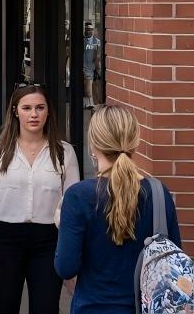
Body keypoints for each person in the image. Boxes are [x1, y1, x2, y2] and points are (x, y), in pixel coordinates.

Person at [55, 105, 183, 313]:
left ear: (93, 147)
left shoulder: (78, 196)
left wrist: (64, 227)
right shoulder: (159, 193)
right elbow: (173, 260)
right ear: (135, 142)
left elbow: (66, 267)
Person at [0, 85, 80, 314]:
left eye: (40, 108)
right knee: (4, 307)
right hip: (5, 239)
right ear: (15, 111)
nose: (34, 114)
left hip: (49, 241)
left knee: (46, 308)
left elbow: (71, 207)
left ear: (48, 112)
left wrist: (70, 248)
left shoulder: (64, 152)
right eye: (27, 108)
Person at [82, 22, 102, 108]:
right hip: (85, 66)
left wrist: (98, 69)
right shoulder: (82, 41)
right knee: (87, 86)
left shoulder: (97, 42)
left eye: (90, 30)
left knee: (93, 87)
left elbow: (98, 56)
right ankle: (89, 103)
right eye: (87, 30)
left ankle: (92, 103)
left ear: (93, 31)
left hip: (93, 67)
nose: (88, 31)